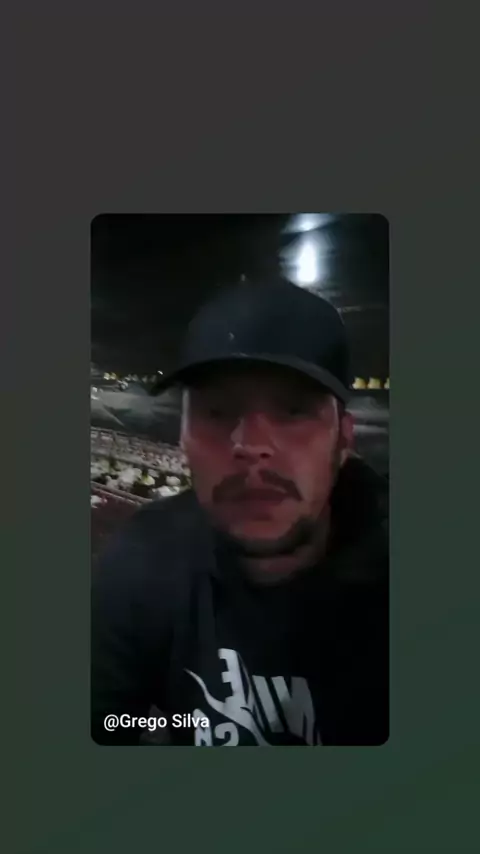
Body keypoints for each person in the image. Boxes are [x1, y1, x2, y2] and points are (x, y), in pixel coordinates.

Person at [91, 278, 388, 746]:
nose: (251, 445)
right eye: (216, 411)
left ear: (344, 440)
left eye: (294, 410)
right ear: (183, 438)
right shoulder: (143, 559)